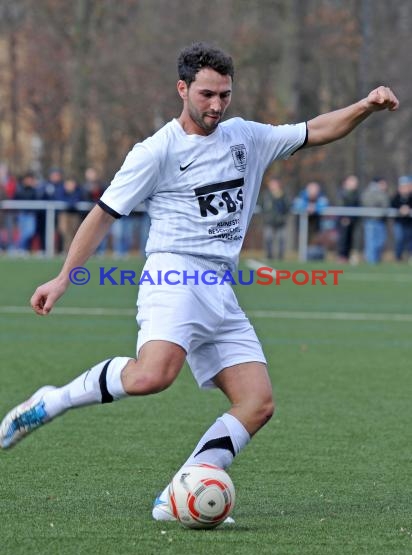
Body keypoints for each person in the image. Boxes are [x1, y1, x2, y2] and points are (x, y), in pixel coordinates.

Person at [0, 43, 399, 524]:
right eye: (207, 94)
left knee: (257, 402)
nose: (216, 105)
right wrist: (64, 276)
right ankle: (52, 400)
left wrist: (365, 107)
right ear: (183, 89)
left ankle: (182, 491)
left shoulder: (246, 137)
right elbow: (102, 215)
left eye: (224, 96)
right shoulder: (156, 151)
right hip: (175, 273)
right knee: (153, 376)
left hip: (220, 285)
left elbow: (317, 130)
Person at [293, 180, 329, 260]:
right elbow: (297, 205)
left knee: (317, 242)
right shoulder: (301, 196)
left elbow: (324, 204)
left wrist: (315, 208)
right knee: (304, 242)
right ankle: (304, 258)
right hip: (304, 225)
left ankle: (317, 258)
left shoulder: (321, 197)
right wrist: (306, 207)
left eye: (315, 190)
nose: (313, 192)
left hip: (317, 225)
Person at [361, 176, 390, 263]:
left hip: (380, 221)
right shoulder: (369, 192)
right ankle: (371, 261)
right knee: (371, 242)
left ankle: (376, 259)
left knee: (380, 241)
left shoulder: (383, 193)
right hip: (371, 220)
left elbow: (385, 205)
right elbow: (368, 203)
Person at [260, 176, 290, 260]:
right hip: (269, 221)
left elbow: (287, 206)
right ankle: (269, 256)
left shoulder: (283, 194)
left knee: (281, 239)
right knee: (268, 238)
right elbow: (261, 204)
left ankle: (280, 256)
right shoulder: (266, 195)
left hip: (281, 221)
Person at [336, 174, 361, 263]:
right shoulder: (342, 193)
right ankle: (342, 256)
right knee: (343, 239)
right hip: (344, 220)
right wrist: (344, 217)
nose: (355, 184)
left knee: (352, 239)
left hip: (353, 220)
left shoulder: (357, 194)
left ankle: (349, 256)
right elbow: (340, 205)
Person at [391, 175, 412, 262]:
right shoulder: (396, 197)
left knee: (410, 241)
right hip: (399, 222)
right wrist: (400, 209)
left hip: (409, 223)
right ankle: (398, 257)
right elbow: (392, 204)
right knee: (399, 239)